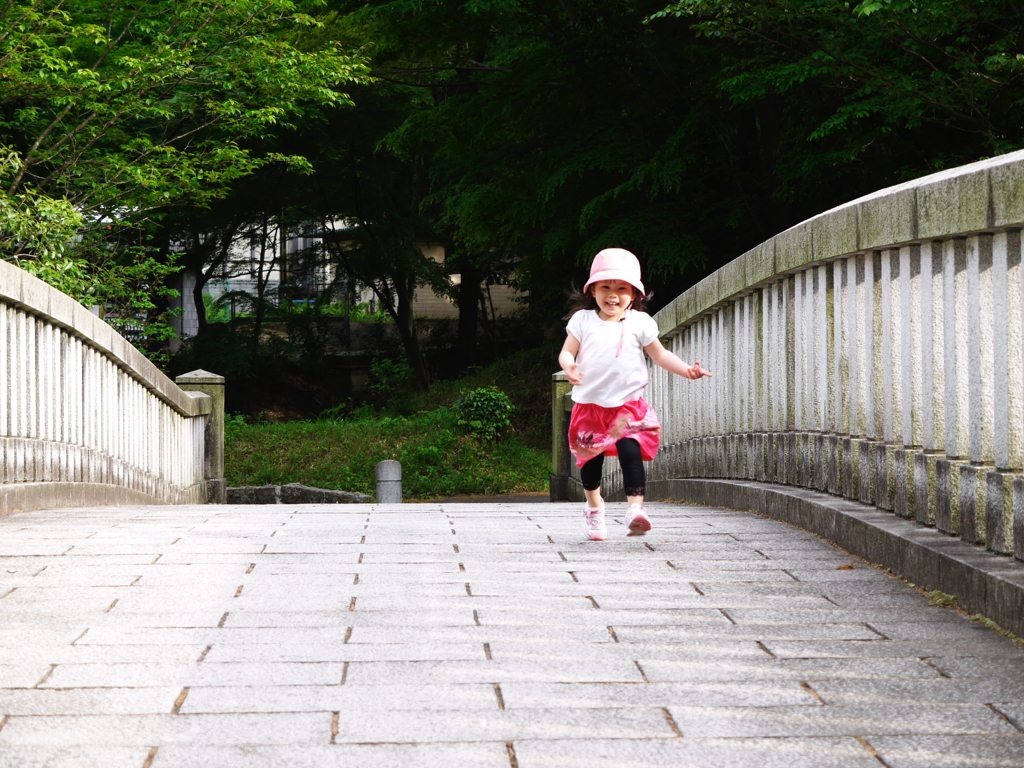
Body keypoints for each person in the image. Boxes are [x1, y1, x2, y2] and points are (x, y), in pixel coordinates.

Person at [559, 248, 712, 541]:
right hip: (590, 408)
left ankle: (635, 511)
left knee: (631, 451)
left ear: (634, 295)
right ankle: (594, 508)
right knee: (591, 465)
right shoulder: (582, 320)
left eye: (621, 288)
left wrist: (687, 371)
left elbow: (660, 354)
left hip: (627, 407)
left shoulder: (640, 323)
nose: (613, 294)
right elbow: (567, 351)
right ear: (593, 290)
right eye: (605, 286)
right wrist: (569, 366)